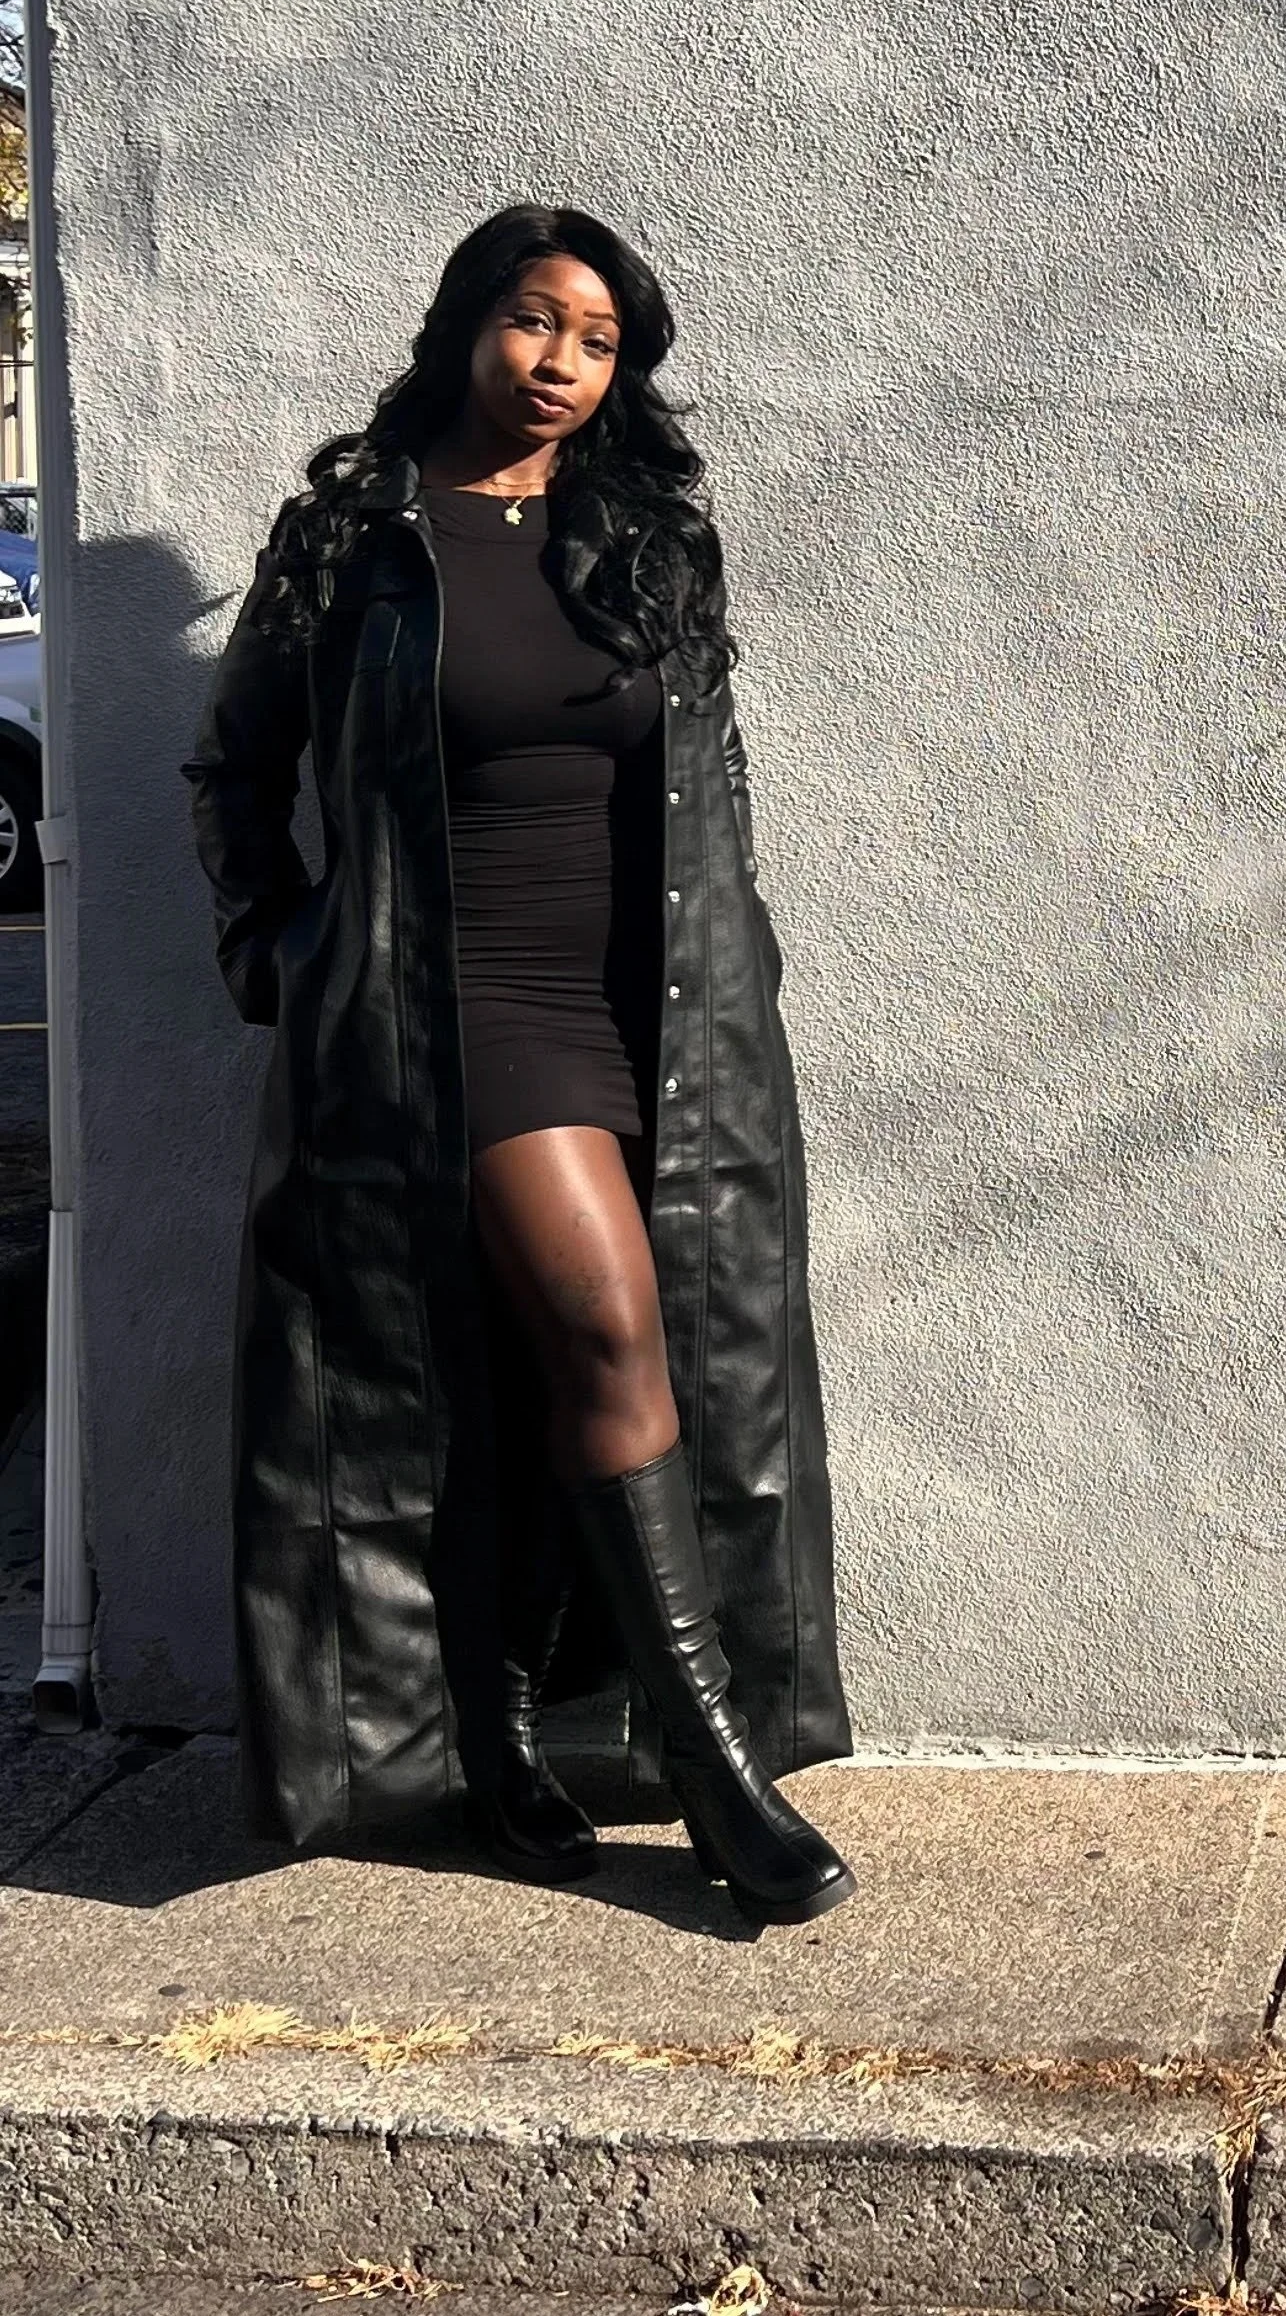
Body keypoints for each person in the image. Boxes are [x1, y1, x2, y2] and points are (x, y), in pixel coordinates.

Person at [182, 203, 856, 1928]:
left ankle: (497, 1733)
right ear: (467, 325)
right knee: (617, 1328)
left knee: (543, 1367)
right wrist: (274, 950)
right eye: (534, 321)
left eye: (598, 339)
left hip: (650, 1011)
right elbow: (234, 766)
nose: (559, 362)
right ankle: (719, 1782)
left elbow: (706, 786)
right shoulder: (358, 535)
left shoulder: (642, 536)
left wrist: (732, 973)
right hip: (459, 1006)